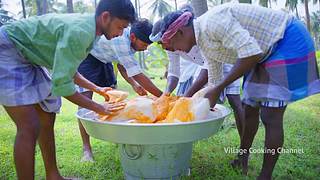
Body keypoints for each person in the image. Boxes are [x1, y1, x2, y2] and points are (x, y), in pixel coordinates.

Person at [158, 3, 320, 180]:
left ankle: (265, 176)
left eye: (170, 44)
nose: (171, 50)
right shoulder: (203, 42)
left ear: (181, 32)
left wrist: (218, 89)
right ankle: (243, 157)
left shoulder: (212, 23)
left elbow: (250, 53)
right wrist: (202, 101)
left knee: (270, 116)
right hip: (262, 52)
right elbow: (214, 78)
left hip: (285, 40)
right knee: (249, 109)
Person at [0, 0, 136, 179]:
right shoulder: (81, 31)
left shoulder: (92, 32)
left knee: (47, 115)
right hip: (9, 47)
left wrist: (97, 89)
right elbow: (63, 85)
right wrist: (98, 108)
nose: (121, 33)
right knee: (29, 125)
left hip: (29, 56)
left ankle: (53, 176)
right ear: (105, 17)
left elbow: (68, 70)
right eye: (120, 27)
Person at [150, 11, 244, 148]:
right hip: (208, 66)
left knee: (234, 101)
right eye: (160, 44)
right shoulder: (171, 46)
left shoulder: (199, 34)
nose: (164, 46)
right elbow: (174, 71)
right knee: (202, 103)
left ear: (173, 34)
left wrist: (186, 97)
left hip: (225, 61)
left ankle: (244, 147)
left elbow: (208, 67)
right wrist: (166, 94)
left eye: (163, 42)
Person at [77, 18, 162, 162]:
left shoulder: (132, 42)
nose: (146, 48)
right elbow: (138, 74)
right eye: (144, 44)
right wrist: (163, 96)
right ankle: (86, 149)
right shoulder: (121, 40)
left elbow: (123, 66)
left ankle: (116, 136)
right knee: (85, 101)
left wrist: (134, 84)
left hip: (105, 60)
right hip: (87, 58)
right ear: (133, 37)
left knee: (114, 98)